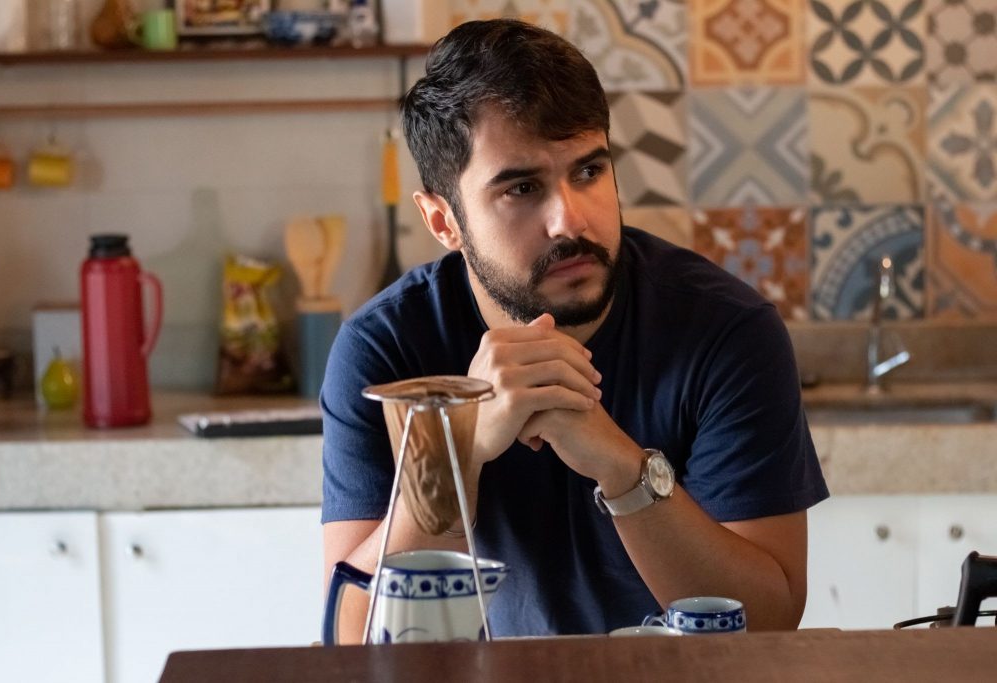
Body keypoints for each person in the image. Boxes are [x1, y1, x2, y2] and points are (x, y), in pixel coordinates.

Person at [320, 19, 828, 642]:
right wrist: (455, 451)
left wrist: (623, 468)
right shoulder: (384, 350)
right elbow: (349, 639)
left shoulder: (727, 331)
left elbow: (770, 621)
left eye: (588, 172)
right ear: (443, 221)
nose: (569, 220)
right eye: (522, 188)